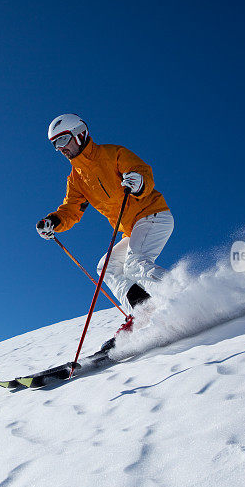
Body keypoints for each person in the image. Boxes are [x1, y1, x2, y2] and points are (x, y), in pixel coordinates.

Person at [36, 114, 174, 347]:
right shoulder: (76, 179)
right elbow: (71, 209)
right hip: (131, 229)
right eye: (55, 145)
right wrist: (54, 221)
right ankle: (144, 310)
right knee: (106, 267)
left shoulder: (112, 154)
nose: (60, 149)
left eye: (63, 141)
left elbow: (142, 171)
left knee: (134, 262)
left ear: (80, 134)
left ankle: (179, 297)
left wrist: (137, 181)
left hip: (153, 214)